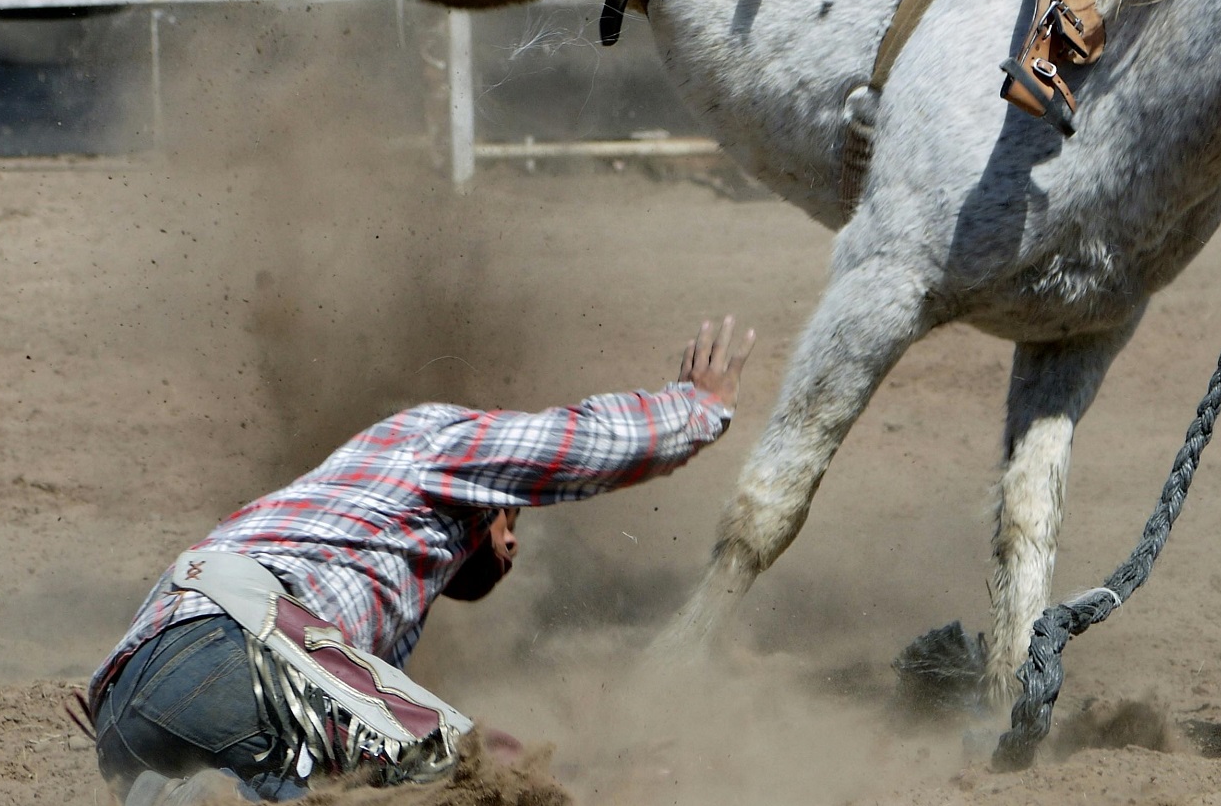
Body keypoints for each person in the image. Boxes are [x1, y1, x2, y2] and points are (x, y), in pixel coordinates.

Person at [89, 317, 755, 804]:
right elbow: (569, 444)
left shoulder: (321, 539)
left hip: (128, 716)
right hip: (231, 658)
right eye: (509, 515)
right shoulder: (431, 442)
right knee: (485, 789)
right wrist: (695, 408)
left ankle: (188, 796)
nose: (512, 544)